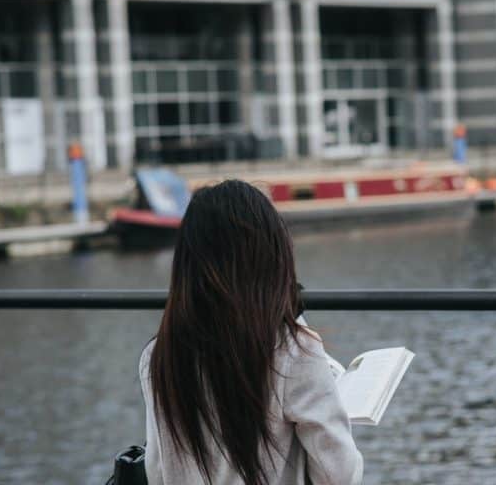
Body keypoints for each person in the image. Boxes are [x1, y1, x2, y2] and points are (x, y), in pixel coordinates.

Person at [139, 180, 363, 485]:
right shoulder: (293, 351)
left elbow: (156, 470)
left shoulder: (157, 356)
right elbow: (339, 474)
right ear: (272, 257)